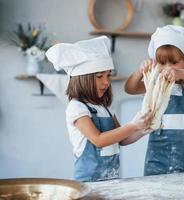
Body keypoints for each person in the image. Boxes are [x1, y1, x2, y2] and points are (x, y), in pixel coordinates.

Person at [46, 36, 152, 182]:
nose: (106, 82)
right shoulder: (77, 108)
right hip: (89, 183)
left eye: (108, 75)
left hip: (113, 180)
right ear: (82, 79)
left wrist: (142, 130)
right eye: (99, 76)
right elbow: (98, 140)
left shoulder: (106, 107)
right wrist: (132, 125)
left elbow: (122, 139)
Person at [124, 25, 184, 176]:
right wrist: (140, 71)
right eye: (162, 62)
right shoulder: (154, 86)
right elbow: (130, 88)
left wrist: (180, 73)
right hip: (154, 163)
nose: (167, 68)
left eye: (174, 62)